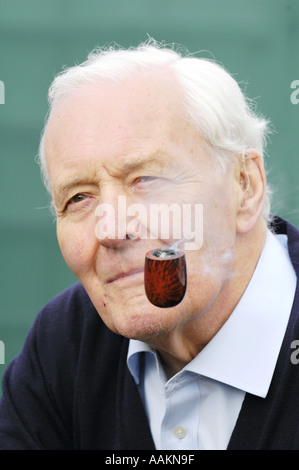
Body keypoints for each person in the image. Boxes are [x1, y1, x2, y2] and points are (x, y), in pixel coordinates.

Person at [1, 38, 299, 451]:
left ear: (244, 187)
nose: (111, 229)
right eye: (79, 198)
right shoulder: (63, 347)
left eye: (146, 180)